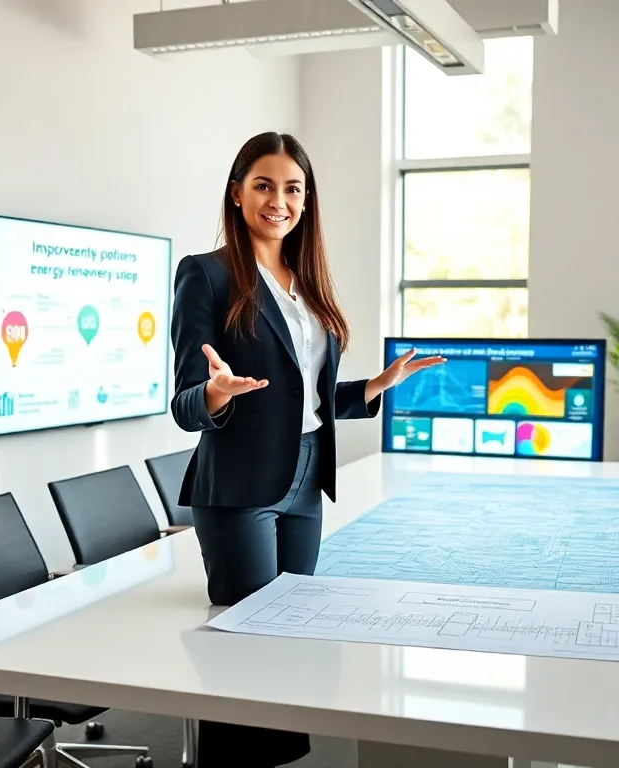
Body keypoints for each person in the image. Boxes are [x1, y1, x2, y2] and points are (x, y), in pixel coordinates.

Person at [170, 132, 444, 767]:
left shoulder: (306, 285)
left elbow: (305, 398)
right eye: (263, 185)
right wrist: (215, 394)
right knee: (248, 643)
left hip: (305, 478)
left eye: (292, 188)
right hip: (238, 485)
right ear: (237, 194)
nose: (279, 200)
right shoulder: (206, 275)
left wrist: (375, 387)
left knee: (292, 633)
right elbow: (186, 404)